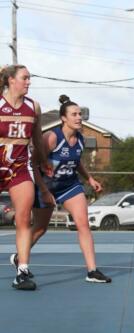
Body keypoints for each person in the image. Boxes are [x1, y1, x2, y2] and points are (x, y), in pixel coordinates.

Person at [19, 95, 111, 283]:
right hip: (45, 186)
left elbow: (76, 163)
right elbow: (33, 164)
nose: (79, 117)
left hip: (69, 185)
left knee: (83, 224)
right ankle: (20, 258)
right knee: (40, 229)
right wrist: (44, 190)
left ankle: (92, 271)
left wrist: (90, 178)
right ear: (63, 118)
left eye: (80, 114)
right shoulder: (51, 137)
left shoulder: (80, 140)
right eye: (74, 114)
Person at [1, 64, 50, 290]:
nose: (29, 82)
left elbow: (37, 139)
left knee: (24, 218)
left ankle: (22, 272)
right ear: (11, 80)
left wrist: (43, 161)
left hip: (19, 168)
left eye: (30, 78)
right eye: (25, 78)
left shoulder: (34, 107)